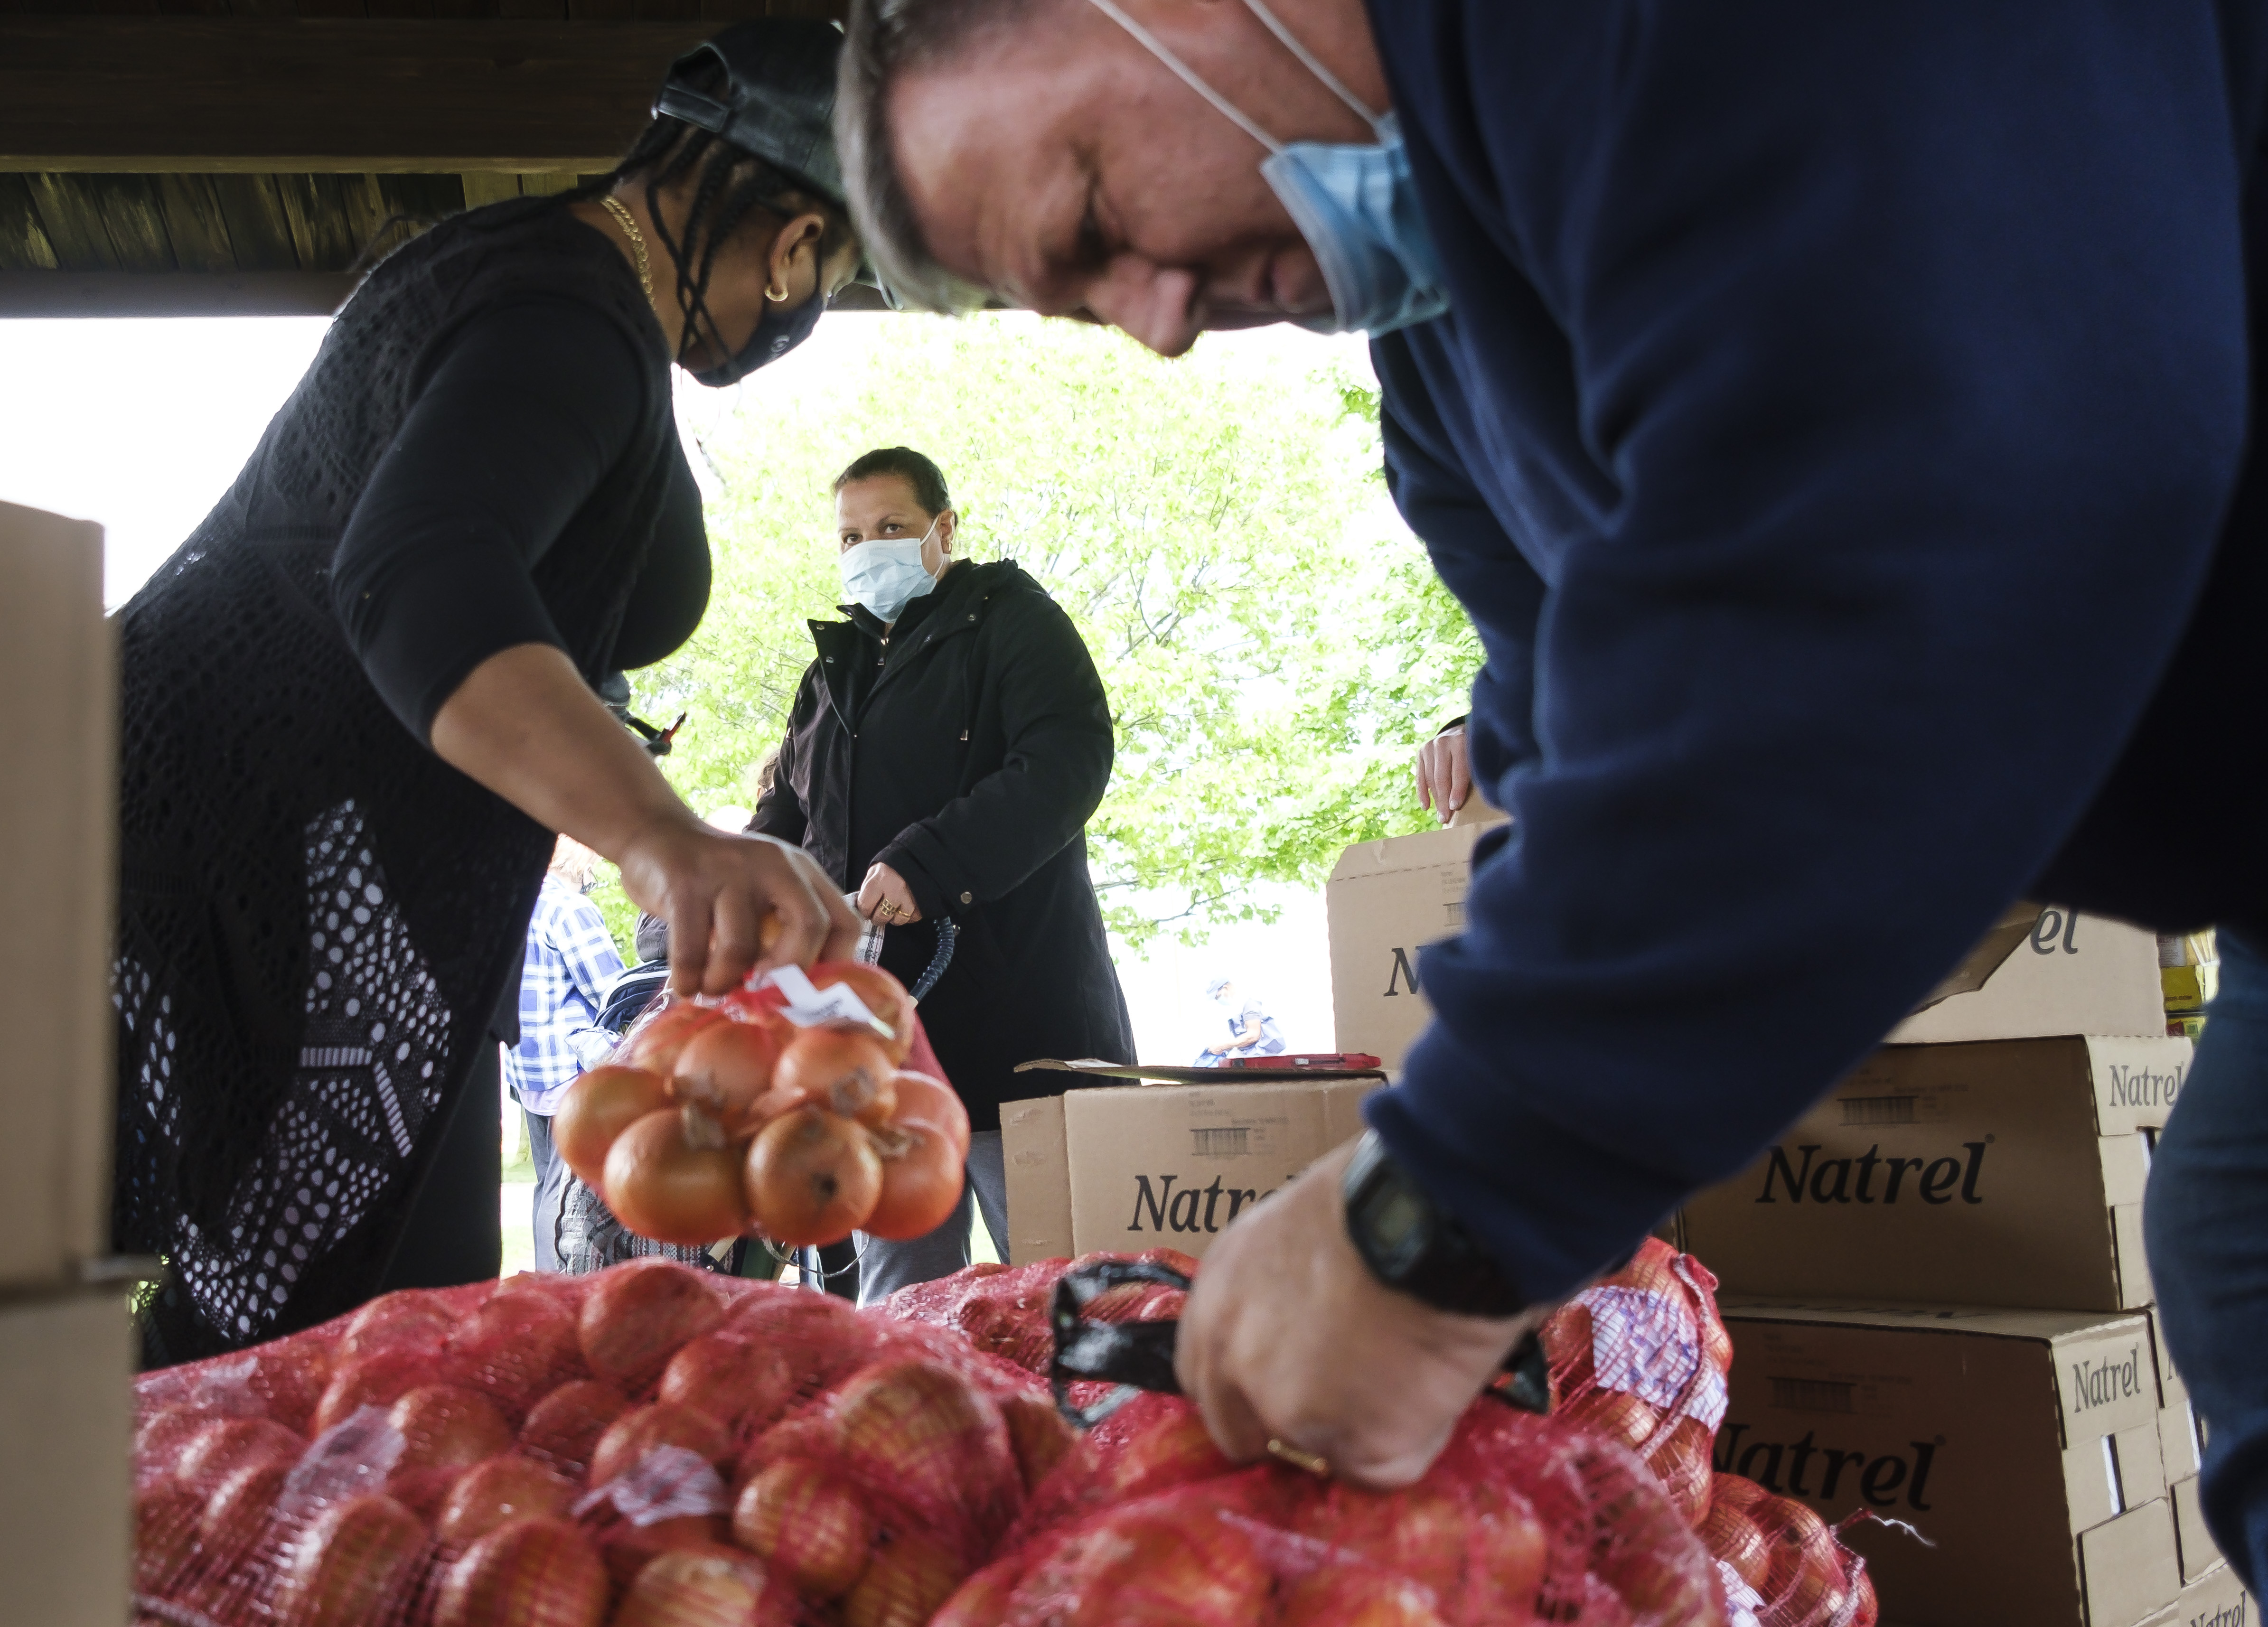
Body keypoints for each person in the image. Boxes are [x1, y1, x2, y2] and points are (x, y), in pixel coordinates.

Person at [834, 0, 2268, 1586]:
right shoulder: (1445, 364)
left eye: (1095, 218)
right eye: (1086, 305)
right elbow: (1580, 701)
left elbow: (1941, 490)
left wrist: (1447, 1206)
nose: (1157, 319)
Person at [109, 19, 865, 1365]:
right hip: (276, 866)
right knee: (314, 1365)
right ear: (798, 239)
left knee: (373, 1337)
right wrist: (662, 836)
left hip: (302, 851)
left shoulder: (530, 274)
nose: (795, 306)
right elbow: (417, 576)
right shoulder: (567, 317)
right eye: (827, 269)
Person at [750, 445, 1135, 1303]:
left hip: (1018, 1035)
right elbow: (787, 814)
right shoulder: (829, 673)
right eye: (850, 536)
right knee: (901, 1311)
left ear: (944, 528)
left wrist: (927, 863)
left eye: (891, 527)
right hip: (881, 1065)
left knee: (1066, 1298)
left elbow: (1066, 759)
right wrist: (742, 891)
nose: (868, 549)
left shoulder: (1013, 618)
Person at [512, 839, 628, 1272]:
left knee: (546, 1187)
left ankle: (544, 1286)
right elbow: (611, 991)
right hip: (570, 1071)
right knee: (566, 1198)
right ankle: (557, 1287)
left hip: (527, 1069)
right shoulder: (568, 909)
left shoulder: (525, 900)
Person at [1197, 977, 1283, 1065]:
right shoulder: (1238, 1009)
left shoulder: (1250, 1004)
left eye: (1218, 997)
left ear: (1226, 988)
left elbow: (1253, 1035)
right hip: (1254, 1060)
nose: (1218, 1000)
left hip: (1264, 1061)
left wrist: (1224, 1046)